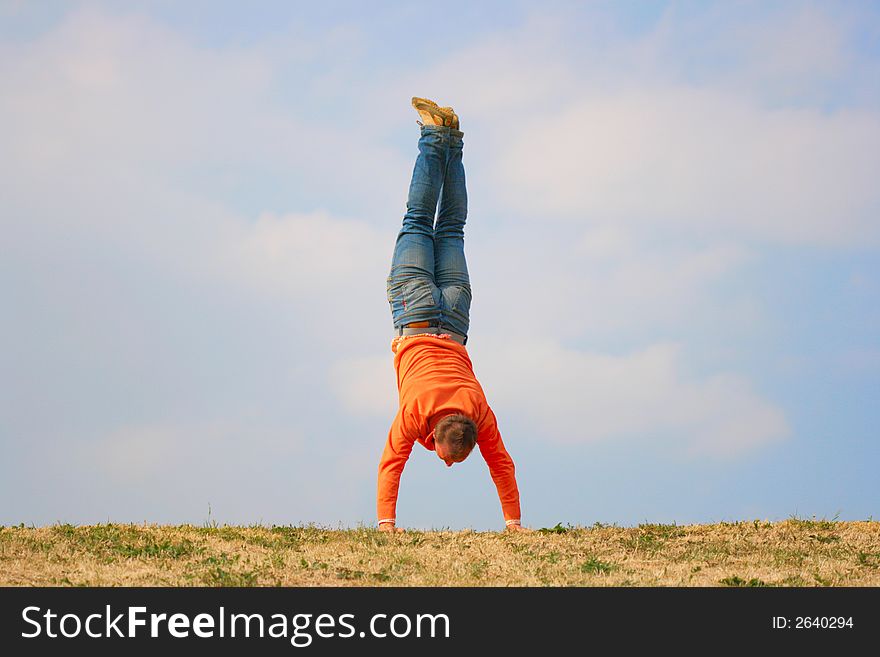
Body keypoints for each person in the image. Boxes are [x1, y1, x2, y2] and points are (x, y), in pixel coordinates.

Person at [377, 97, 529, 533]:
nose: (443, 463)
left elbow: (502, 462)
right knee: (418, 220)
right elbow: (392, 462)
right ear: (442, 436)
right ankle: (431, 133)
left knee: (451, 227)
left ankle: (451, 137)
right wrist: (386, 523)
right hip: (415, 310)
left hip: (456, 316)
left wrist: (513, 520)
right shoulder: (417, 409)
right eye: (448, 458)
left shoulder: (478, 409)